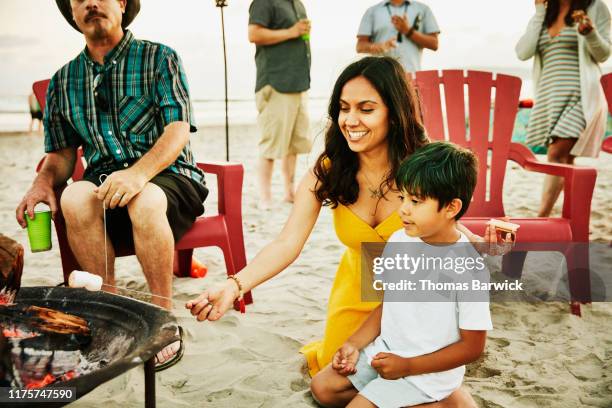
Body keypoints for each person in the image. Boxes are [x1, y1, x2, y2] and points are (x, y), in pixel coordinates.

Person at [187, 56, 512, 406]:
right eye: (343, 108)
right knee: (330, 384)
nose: (351, 120)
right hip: (357, 296)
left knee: (402, 376)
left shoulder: (421, 166)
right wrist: (234, 285)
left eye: (366, 108)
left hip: (420, 303)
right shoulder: (329, 170)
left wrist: (489, 248)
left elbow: (450, 229)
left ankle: (450, 395)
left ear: (394, 111)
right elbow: (287, 243)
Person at [15, 0, 208, 371]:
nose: (91, 2)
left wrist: (138, 173)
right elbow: (61, 157)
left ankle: (160, 320)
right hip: (105, 187)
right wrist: (41, 183)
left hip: (169, 180)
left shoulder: (159, 58)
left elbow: (177, 130)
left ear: (122, 4)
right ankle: (110, 313)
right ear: (72, 12)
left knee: (145, 199)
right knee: (73, 194)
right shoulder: (63, 81)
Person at [310, 142, 492, 407]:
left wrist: (407, 366)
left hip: (425, 373)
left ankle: (442, 399)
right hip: (387, 350)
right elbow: (388, 305)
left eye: (416, 201)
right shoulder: (398, 240)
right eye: (402, 197)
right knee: (323, 388)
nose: (403, 210)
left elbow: (472, 347)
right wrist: (353, 344)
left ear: (451, 208)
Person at [516, 0, 610, 217]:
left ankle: (541, 217)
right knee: (566, 160)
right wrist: (539, 11)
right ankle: (572, 219)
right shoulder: (546, 13)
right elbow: (523, 51)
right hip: (550, 97)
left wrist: (590, 33)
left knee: (556, 153)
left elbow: (603, 54)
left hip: (582, 95)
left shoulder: (595, 7)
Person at [248, 0, 313, 207]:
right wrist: (291, 32)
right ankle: (265, 197)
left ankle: (289, 193)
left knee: (293, 144)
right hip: (275, 82)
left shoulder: (297, 3)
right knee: (271, 144)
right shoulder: (264, 2)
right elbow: (254, 34)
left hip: (299, 83)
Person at [356, 0, 440, 72]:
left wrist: (407, 31)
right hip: (380, 76)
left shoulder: (423, 9)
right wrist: (380, 46)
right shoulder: (372, 11)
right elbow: (360, 46)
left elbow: (434, 44)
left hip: (412, 75)